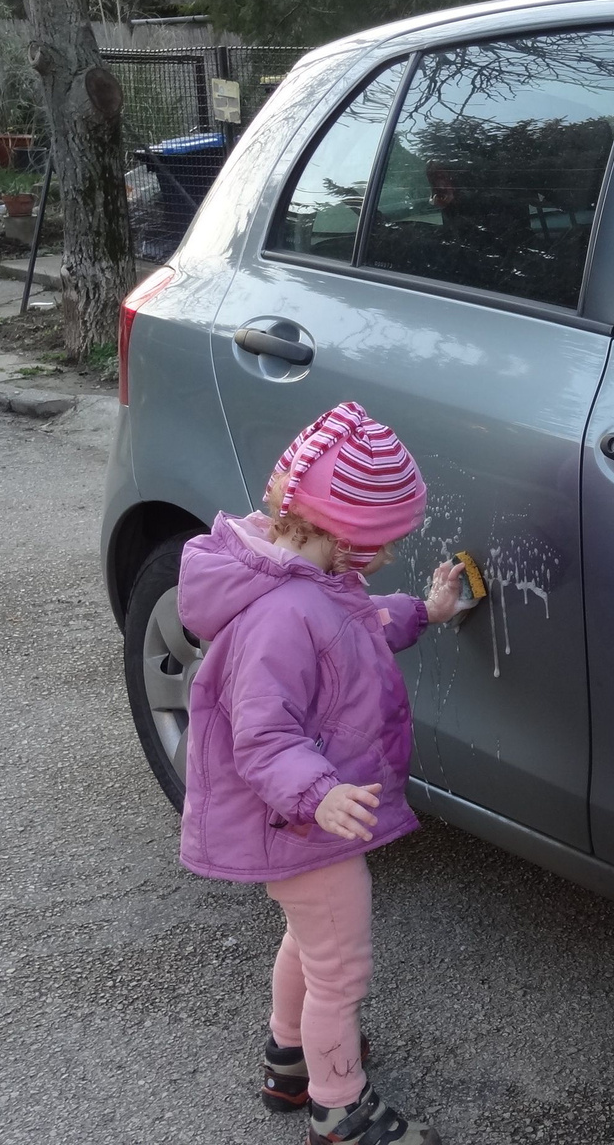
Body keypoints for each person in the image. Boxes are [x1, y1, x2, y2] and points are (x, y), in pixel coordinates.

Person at [176, 401, 463, 1145]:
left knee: (308, 943)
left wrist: (423, 613)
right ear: (343, 533)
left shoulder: (310, 583)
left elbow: (357, 627)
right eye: (383, 545)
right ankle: (339, 1107)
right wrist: (322, 793)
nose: (387, 559)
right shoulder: (282, 615)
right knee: (341, 966)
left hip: (302, 821)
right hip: (302, 821)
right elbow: (263, 736)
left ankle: (291, 1057)